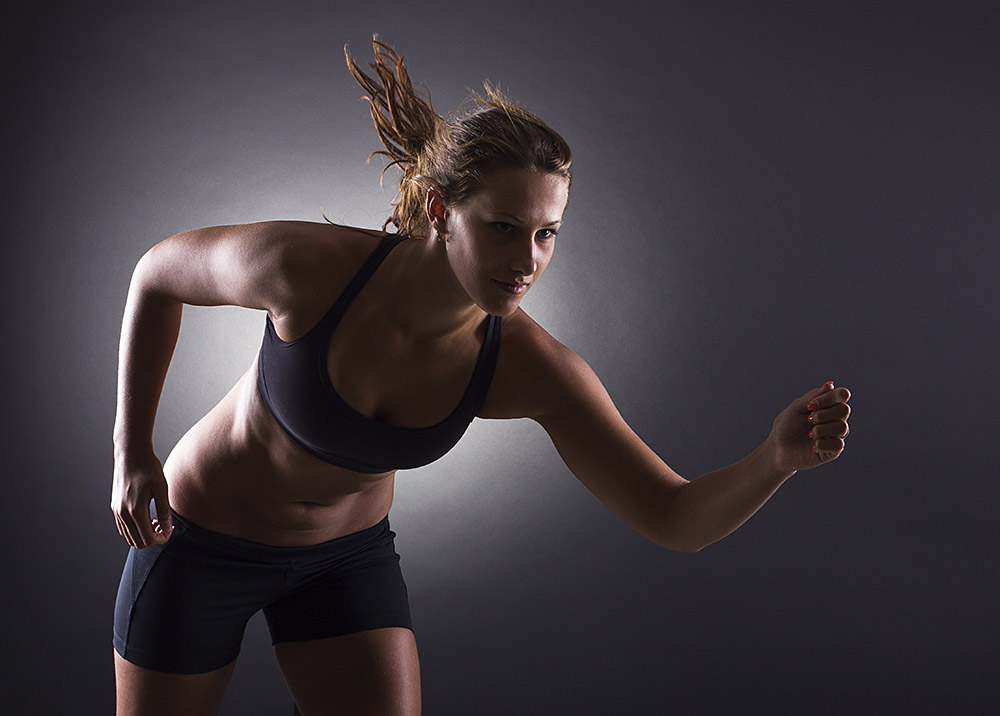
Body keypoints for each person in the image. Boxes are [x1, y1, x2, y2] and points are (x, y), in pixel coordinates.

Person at [110, 37, 852, 716]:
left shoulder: (528, 367)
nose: (527, 260)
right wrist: (132, 452)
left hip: (342, 562)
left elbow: (673, 516)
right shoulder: (307, 269)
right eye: (503, 228)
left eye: (546, 234)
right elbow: (156, 275)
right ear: (442, 211)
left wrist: (774, 460)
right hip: (199, 540)